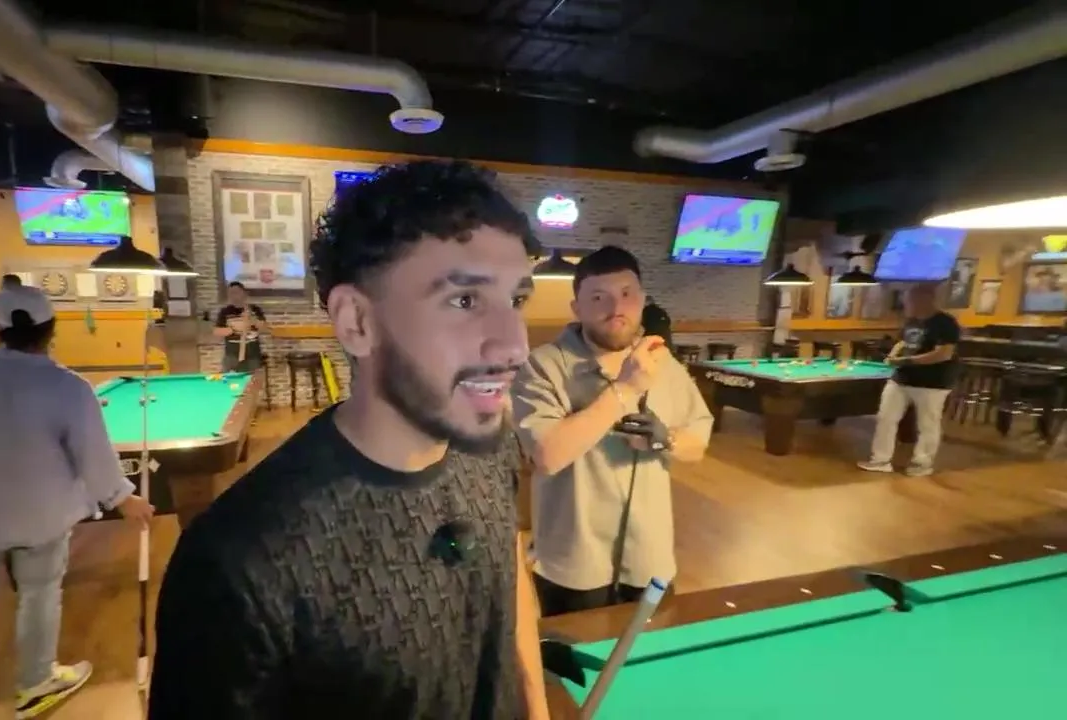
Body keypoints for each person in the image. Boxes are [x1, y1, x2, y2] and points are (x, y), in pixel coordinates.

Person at [149, 160, 551, 719]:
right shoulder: (237, 566)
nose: (515, 346)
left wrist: (536, 707)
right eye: (464, 301)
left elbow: (506, 577)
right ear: (357, 322)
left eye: (516, 301)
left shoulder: (491, 446)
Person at [0, 285, 154, 720]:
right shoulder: (68, 386)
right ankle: (35, 682)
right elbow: (93, 455)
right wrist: (124, 499)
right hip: (41, 516)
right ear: (51, 330)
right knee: (40, 593)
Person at [512, 245, 713, 617]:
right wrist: (625, 390)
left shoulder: (664, 364)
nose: (616, 307)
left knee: (651, 652)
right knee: (576, 655)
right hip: (574, 564)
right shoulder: (541, 367)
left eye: (626, 294)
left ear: (642, 300)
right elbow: (547, 456)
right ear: (576, 308)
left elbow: (697, 444)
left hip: (650, 561)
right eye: (598, 297)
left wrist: (666, 439)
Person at [859, 283, 961, 477]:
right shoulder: (911, 321)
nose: (905, 304)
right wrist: (893, 355)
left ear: (925, 299)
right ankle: (880, 460)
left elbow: (944, 354)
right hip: (902, 379)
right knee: (885, 417)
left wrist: (906, 360)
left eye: (909, 300)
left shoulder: (945, 323)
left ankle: (922, 464)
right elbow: (903, 341)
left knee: (927, 425)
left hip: (933, 382)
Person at [210, 281, 268, 372]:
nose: (233, 296)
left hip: (253, 356)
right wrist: (233, 329)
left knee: (253, 379)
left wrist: (251, 320)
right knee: (230, 379)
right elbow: (216, 331)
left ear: (244, 293)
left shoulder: (255, 310)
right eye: (231, 293)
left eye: (236, 292)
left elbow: (264, 328)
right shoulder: (225, 312)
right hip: (232, 356)